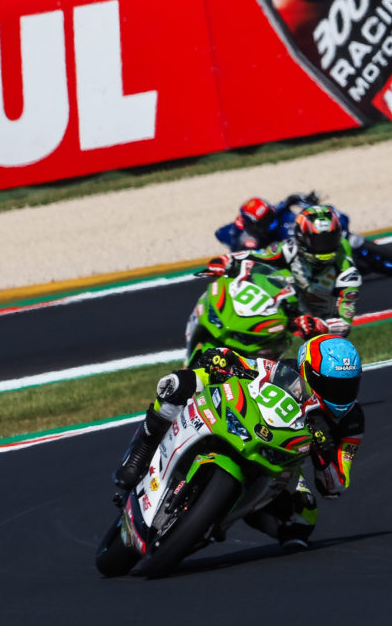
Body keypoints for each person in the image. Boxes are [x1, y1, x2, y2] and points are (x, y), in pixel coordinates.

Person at [112, 337, 365, 549]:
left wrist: (325, 452)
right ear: (308, 371)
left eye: (347, 387)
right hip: (251, 426)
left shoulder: (352, 422)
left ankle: (217, 517)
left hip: (285, 461)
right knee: (176, 384)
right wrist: (221, 359)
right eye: (331, 386)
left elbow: (335, 485)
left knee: (303, 519)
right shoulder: (286, 371)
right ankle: (141, 450)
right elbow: (245, 363)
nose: (339, 396)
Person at [208, 205, 361, 339]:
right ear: (301, 237)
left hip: (323, 327)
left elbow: (344, 324)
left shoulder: (348, 273)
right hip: (291, 312)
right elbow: (259, 255)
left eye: (329, 240)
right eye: (318, 241)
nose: (324, 247)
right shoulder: (290, 248)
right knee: (271, 274)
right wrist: (227, 260)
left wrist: (321, 326)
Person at [215, 192, 321, 251]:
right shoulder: (247, 239)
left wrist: (308, 201)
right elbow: (219, 234)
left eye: (269, 215)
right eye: (264, 221)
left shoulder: (274, 212)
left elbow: (290, 199)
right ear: (253, 226)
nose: (271, 221)